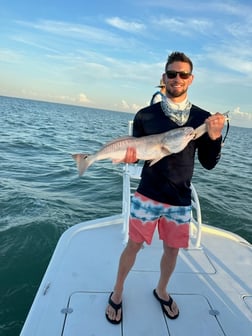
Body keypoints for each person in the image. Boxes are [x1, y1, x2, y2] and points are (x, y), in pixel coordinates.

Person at [105, 51, 226, 324]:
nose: (177, 78)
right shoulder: (145, 115)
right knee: (133, 245)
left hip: (180, 199)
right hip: (148, 193)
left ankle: (161, 290)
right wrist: (129, 156)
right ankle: (118, 291)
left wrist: (215, 137)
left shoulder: (202, 119)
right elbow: (136, 151)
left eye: (183, 74)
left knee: (172, 250)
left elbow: (208, 163)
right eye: (172, 73)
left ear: (191, 79)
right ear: (164, 77)